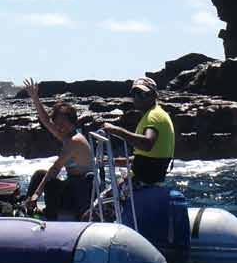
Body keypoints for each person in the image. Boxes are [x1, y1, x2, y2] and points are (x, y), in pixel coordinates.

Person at [23, 79, 95, 220]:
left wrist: (37, 194)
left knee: (52, 184)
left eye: (63, 123)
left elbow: (55, 169)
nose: (59, 127)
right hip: (71, 186)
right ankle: (28, 209)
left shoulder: (75, 141)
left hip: (81, 192)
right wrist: (35, 98)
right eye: (58, 124)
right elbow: (45, 120)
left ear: (72, 121)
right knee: (39, 174)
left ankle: (51, 218)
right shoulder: (67, 136)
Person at [101, 77, 175, 185]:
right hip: (150, 180)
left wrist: (115, 130)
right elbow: (143, 159)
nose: (137, 98)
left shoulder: (153, 116)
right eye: (134, 94)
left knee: (104, 198)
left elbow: (147, 144)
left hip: (143, 182)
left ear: (154, 95)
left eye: (142, 94)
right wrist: (111, 161)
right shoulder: (155, 113)